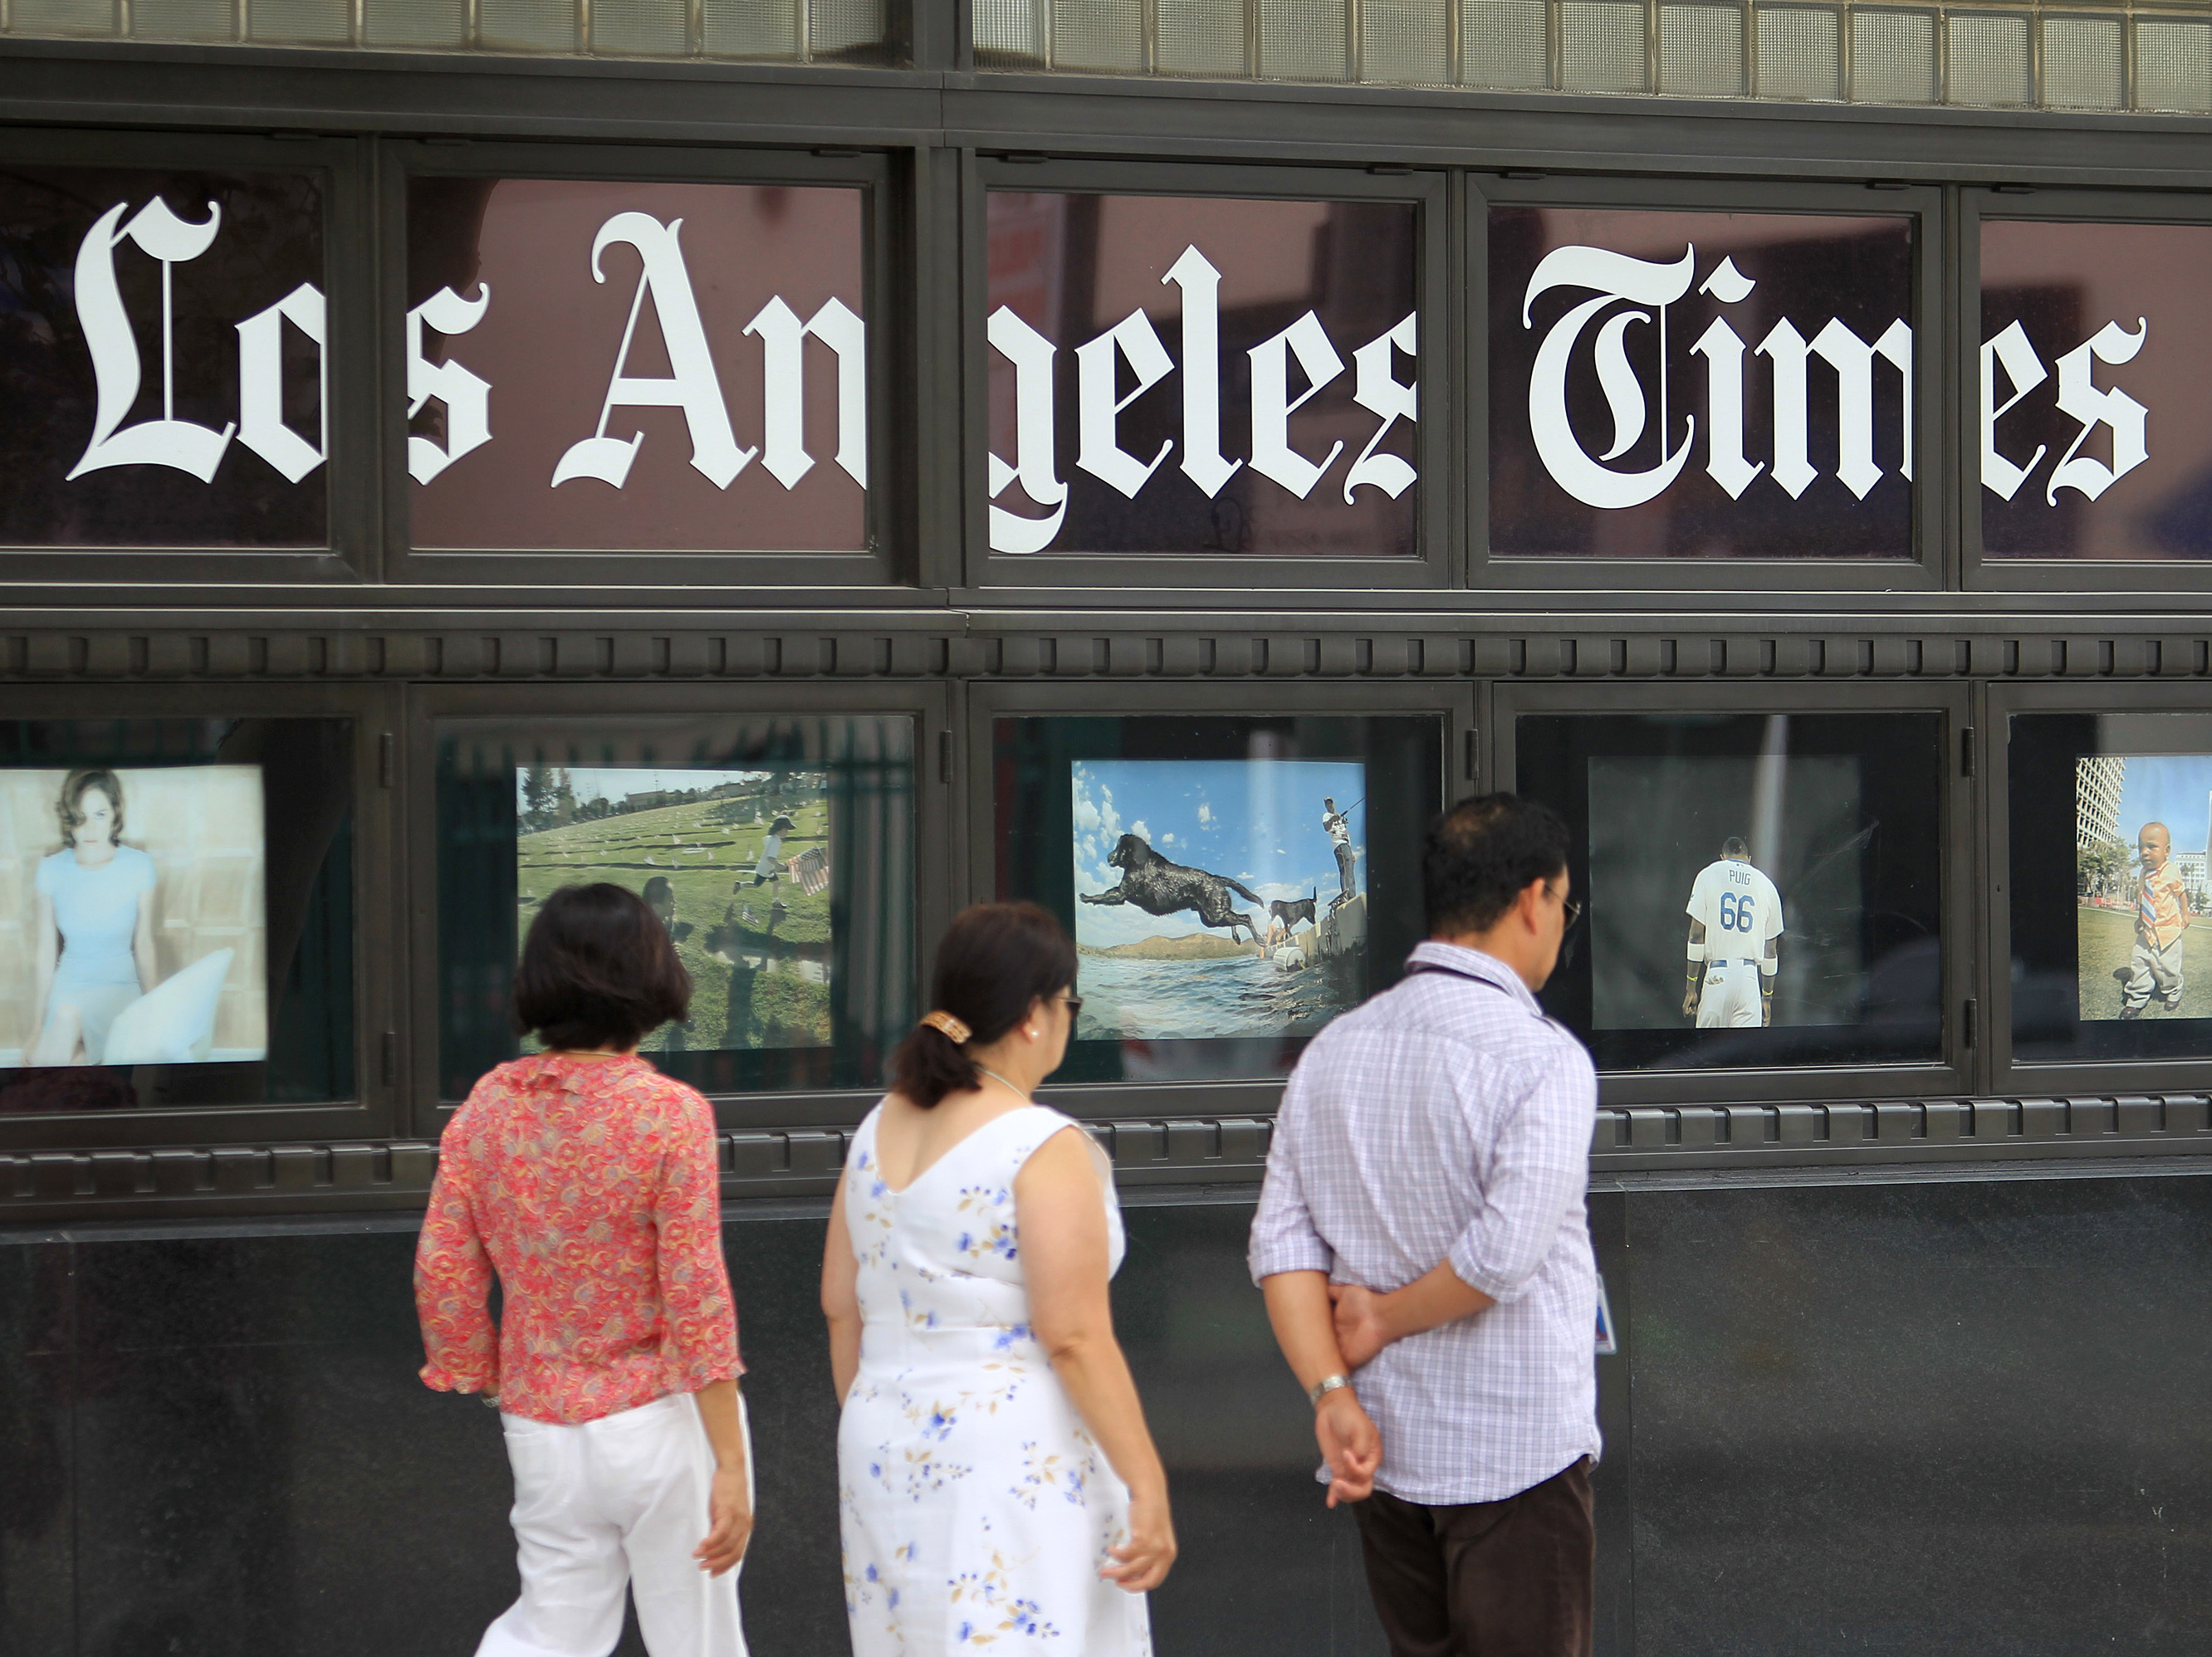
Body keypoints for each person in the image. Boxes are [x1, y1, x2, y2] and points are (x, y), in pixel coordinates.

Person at [1250, 793, 1600, 1657]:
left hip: (1385, 1449)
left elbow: (1282, 1246)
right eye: (1565, 903)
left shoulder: (1333, 1049)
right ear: (1533, 898)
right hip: (1515, 1452)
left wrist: (1331, 1391)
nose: (1561, 922)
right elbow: (1504, 1256)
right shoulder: (1543, 1060)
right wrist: (1382, 1318)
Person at [822, 902, 1174, 1657]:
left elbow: (839, 1307)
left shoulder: (876, 1127)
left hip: (881, 1440)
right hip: (1011, 1452)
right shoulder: (1040, 1144)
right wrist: (1147, 1481)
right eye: (1069, 1002)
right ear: (1032, 1016)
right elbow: (1075, 1335)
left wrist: (894, 1417)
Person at [415, 882, 752, 1657]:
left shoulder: (489, 1105)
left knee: (546, 1634)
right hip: (659, 1421)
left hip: (540, 1422)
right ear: (650, 977)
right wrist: (729, 1463)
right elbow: (696, 1294)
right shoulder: (670, 1113)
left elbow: (442, 1266)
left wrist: (486, 1374)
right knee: (696, 1641)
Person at [29, 767, 159, 1067]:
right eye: (80, 818)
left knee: (60, 1043)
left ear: (114, 813)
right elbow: (46, 950)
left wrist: (154, 1011)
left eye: (100, 815)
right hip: (69, 984)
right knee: (64, 1037)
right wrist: (36, 1027)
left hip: (119, 986)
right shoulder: (50, 869)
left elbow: (144, 943)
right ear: (69, 818)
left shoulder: (139, 866)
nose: (90, 830)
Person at [1681, 835, 1784, 1029]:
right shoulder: (1766, 884)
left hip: (1717, 975)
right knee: (1743, 1055)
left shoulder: (1709, 874)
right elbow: (1771, 951)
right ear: (1749, 859)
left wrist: (1690, 987)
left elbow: (1696, 936)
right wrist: (1767, 997)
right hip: (1749, 979)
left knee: (1706, 1053)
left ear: (1723, 857)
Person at [2121, 820, 2189, 1019]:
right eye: (2141, 848)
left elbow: (2181, 893)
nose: (2144, 852)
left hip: (2168, 931)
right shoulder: (2143, 873)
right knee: (2139, 963)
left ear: (2166, 850)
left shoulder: (2172, 870)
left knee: (2168, 969)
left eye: (2151, 847)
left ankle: (2174, 991)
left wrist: (2185, 913)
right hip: (2147, 931)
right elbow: (2143, 897)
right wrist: (2139, 918)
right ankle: (2136, 998)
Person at [1323, 796, 1357, 911]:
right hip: (1339, 845)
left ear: (1333, 804)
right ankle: (1348, 895)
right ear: (1325, 806)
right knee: (1345, 870)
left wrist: (1351, 852)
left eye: (1331, 803)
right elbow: (1326, 827)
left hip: (1346, 846)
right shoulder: (1327, 816)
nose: (1329, 805)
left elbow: (1346, 833)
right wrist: (1333, 819)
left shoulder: (1340, 819)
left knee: (1350, 870)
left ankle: (1352, 894)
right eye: (1327, 804)